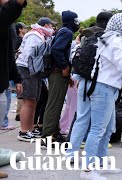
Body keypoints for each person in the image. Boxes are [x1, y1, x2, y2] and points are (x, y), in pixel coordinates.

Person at [67, 13, 122, 180]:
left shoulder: (114, 38)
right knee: (98, 129)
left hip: (105, 88)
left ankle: (100, 163)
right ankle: (88, 170)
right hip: (103, 88)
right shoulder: (114, 40)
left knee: (107, 129)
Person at [41, 10, 80, 142]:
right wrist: (64, 66)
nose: (77, 23)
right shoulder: (67, 32)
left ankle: (54, 132)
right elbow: (56, 49)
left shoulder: (62, 31)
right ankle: (48, 135)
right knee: (54, 104)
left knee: (56, 103)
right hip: (57, 72)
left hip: (57, 72)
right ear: (70, 21)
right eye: (75, 20)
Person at [16, 17, 54, 141]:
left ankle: (30, 129)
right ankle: (23, 131)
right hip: (28, 69)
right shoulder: (35, 35)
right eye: (50, 25)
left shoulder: (40, 35)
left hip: (33, 71)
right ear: (45, 25)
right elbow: (28, 55)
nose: (51, 28)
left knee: (33, 101)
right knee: (28, 101)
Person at [0, 0, 27, 177]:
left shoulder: (7, 24)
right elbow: (8, 13)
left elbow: (8, 53)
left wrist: (16, 77)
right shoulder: (4, 18)